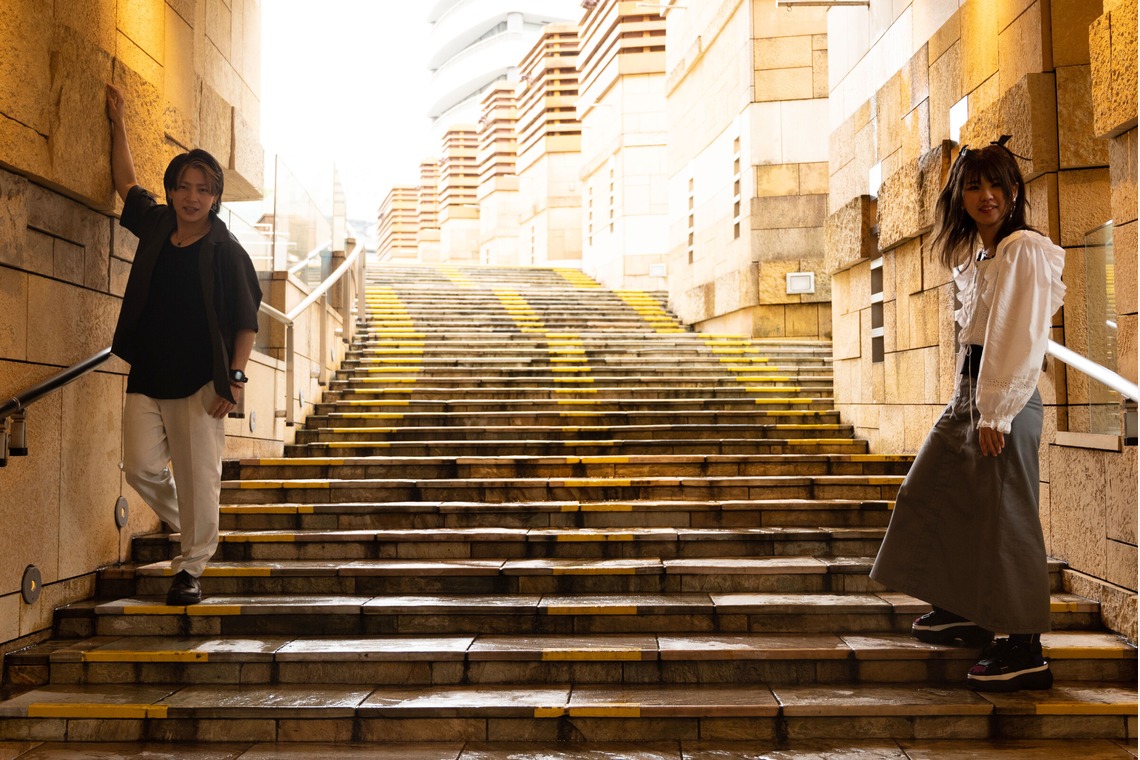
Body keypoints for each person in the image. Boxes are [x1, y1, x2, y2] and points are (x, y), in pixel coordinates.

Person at [869, 137, 1066, 692]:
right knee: (931, 489)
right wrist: (970, 402)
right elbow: (977, 338)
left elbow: (1018, 336)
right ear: (958, 196)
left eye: (997, 184)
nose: (987, 196)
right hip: (972, 394)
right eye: (974, 185)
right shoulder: (983, 254)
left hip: (1005, 397)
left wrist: (996, 412)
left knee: (1007, 518)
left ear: (1014, 191)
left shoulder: (1024, 247)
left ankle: (1023, 644)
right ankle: (964, 605)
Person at [106, 84, 262, 606]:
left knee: (199, 476)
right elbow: (126, 182)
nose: (191, 196)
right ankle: (201, 525)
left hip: (201, 382)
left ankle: (191, 566)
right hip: (148, 374)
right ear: (172, 190)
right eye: (183, 186)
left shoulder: (226, 250)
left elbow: (245, 323)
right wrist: (118, 121)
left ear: (215, 197)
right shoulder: (155, 225)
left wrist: (234, 380)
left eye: (202, 189)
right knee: (142, 467)